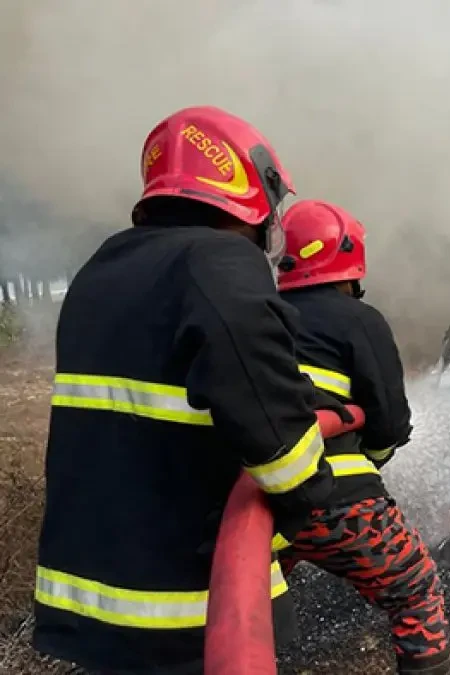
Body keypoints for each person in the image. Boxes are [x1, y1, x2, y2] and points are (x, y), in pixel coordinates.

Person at [33, 106, 338, 673]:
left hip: (91, 598)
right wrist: (312, 497)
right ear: (252, 198)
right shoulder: (220, 260)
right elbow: (272, 428)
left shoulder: (104, 268)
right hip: (184, 604)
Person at [276, 200, 450, 674]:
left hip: (259, 505)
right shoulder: (359, 320)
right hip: (338, 500)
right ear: (349, 258)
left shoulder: (258, 316)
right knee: (416, 592)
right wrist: (374, 456)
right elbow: (390, 423)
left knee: (246, 607)